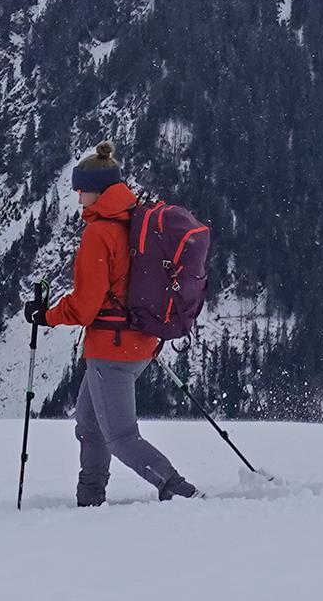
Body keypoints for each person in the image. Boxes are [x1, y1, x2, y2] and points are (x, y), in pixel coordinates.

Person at [27, 143, 198, 507]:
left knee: (120, 436)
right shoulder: (134, 219)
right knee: (90, 426)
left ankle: (178, 489)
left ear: (98, 190)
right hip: (139, 341)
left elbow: (86, 306)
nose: (77, 197)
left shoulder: (100, 233)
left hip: (112, 347)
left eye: (81, 189)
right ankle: (90, 500)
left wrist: (48, 316)